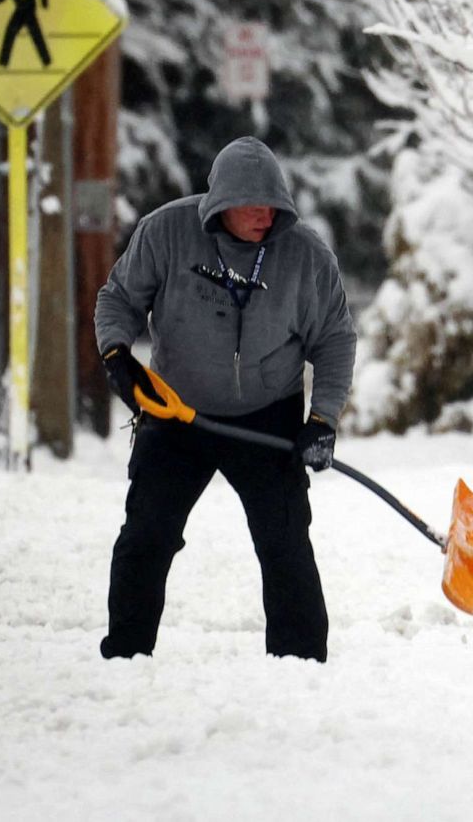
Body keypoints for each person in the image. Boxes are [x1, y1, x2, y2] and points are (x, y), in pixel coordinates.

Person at [93, 136, 356, 662]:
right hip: (175, 411)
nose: (265, 215)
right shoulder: (165, 232)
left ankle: (301, 661)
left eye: (273, 204)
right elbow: (119, 298)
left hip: (266, 418)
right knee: (147, 532)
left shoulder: (305, 257)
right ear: (219, 205)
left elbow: (334, 340)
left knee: (284, 540)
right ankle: (125, 653)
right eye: (251, 205)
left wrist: (322, 418)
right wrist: (118, 356)